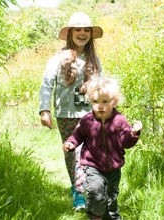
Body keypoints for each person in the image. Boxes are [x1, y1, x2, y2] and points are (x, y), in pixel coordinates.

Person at [39, 12, 103, 211]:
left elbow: (102, 85)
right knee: (72, 152)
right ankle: (77, 190)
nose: (82, 33)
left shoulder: (95, 59)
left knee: (87, 152)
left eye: (86, 30)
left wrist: (92, 82)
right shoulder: (58, 58)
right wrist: (44, 110)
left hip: (89, 115)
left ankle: (86, 190)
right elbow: (46, 85)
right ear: (70, 33)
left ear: (91, 34)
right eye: (78, 29)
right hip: (66, 114)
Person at [63, 77, 143, 220]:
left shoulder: (120, 120)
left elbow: (126, 142)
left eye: (105, 102)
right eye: (95, 102)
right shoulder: (87, 120)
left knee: (111, 198)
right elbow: (78, 135)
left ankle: (111, 217)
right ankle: (95, 216)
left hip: (114, 167)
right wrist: (71, 143)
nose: (100, 106)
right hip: (92, 165)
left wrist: (133, 133)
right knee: (96, 192)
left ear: (115, 101)